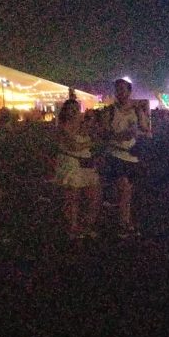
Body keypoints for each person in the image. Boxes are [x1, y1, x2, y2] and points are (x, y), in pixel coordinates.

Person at [101, 78, 150, 237]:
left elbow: (146, 129)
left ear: (129, 91)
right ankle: (123, 223)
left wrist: (138, 131)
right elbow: (104, 133)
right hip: (116, 154)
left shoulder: (137, 110)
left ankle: (122, 218)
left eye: (123, 89)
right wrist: (120, 136)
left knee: (127, 192)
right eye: (117, 90)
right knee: (124, 189)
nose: (120, 93)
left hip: (132, 155)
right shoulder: (109, 111)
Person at [54, 101, 101, 239]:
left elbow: (97, 134)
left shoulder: (83, 124)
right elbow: (74, 146)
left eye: (76, 109)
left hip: (86, 162)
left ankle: (86, 225)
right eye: (71, 109)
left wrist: (91, 122)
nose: (74, 112)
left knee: (93, 196)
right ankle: (73, 227)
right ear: (65, 111)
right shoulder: (63, 127)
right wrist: (91, 142)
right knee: (73, 197)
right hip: (71, 163)